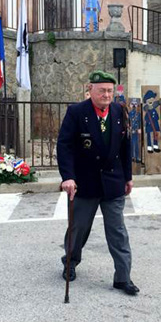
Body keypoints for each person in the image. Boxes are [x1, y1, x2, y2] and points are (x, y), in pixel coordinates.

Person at [57, 70, 139, 295]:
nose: (106, 94)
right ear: (90, 90)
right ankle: (70, 262)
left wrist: (128, 177)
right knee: (79, 228)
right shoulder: (76, 112)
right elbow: (64, 146)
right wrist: (68, 177)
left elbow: (125, 145)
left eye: (110, 91)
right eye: (102, 90)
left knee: (118, 231)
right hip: (85, 182)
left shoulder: (118, 110)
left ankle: (123, 277)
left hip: (113, 181)